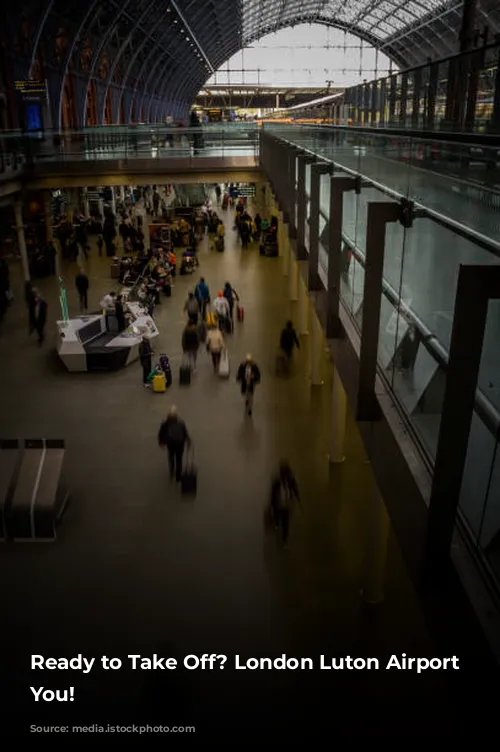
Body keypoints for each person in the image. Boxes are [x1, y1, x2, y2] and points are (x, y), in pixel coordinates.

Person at [158, 406, 191, 483]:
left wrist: (161, 442)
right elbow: (185, 433)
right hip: (180, 444)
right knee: (179, 459)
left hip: (171, 443)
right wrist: (188, 441)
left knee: (171, 458)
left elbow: (161, 433)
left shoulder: (165, 423)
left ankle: (172, 472)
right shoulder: (181, 423)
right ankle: (178, 476)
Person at [270, 461, 300, 548]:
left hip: (286, 505)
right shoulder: (277, 481)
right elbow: (273, 493)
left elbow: (295, 488)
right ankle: (277, 523)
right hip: (278, 504)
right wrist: (272, 504)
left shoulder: (290, 479)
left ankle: (284, 540)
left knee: (285, 523)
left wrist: (297, 497)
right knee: (278, 516)